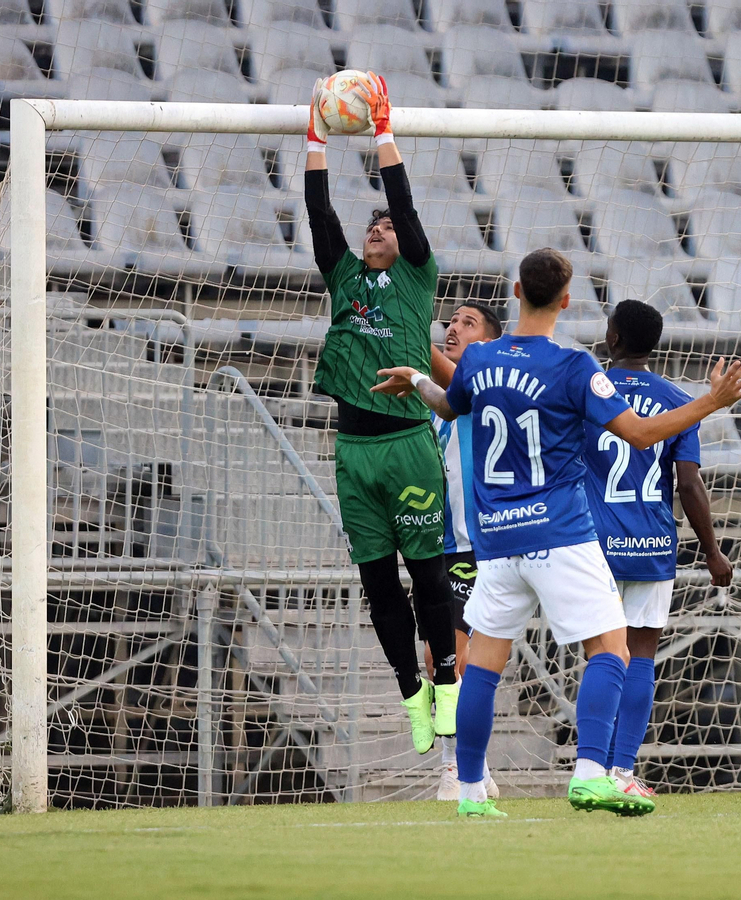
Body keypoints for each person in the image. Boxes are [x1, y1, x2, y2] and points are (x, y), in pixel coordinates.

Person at [373, 248, 741, 819]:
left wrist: (417, 380)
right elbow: (643, 434)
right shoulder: (576, 366)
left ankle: (472, 793)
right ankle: (591, 774)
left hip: (498, 540)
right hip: (559, 532)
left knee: (482, 662)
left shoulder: (479, 360)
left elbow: (447, 406)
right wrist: (711, 400)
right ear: (568, 301)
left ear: (516, 291)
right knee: (611, 648)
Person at [304, 72, 460, 756]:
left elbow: (403, 200)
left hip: (407, 444)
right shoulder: (344, 277)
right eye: (374, 224)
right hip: (353, 452)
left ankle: (449, 681)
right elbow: (319, 214)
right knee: (377, 582)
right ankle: (412, 693)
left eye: (388, 226)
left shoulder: (415, 277)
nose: (378, 227)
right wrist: (315, 136)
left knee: (427, 576)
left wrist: (381, 133)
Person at [582, 299, 733, 800]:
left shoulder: (588, 390)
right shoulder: (677, 399)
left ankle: (593, 769)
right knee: (642, 653)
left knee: (604, 657)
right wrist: (712, 552)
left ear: (614, 339)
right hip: (651, 546)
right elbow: (688, 485)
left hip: (595, 546)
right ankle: (623, 771)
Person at [427, 302, 504, 801]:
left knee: (459, 656)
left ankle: (458, 768)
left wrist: (412, 334)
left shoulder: (487, 386)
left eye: (467, 323)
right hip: (442, 542)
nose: (453, 327)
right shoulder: (441, 403)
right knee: (440, 654)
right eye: (450, 321)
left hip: (479, 545)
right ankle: (462, 764)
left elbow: (447, 376)